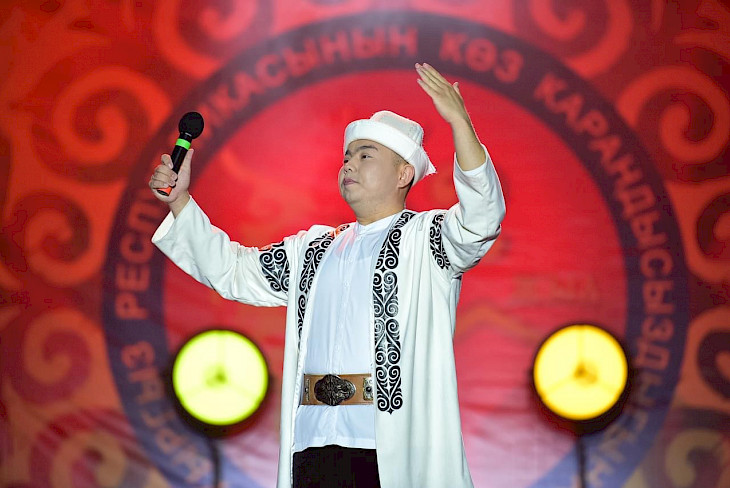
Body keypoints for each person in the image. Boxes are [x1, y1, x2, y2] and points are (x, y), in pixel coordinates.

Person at [149, 63, 505, 488]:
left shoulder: (426, 240)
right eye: (347, 157)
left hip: (386, 443)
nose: (349, 164)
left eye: (365, 155)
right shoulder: (314, 249)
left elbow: (481, 218)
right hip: (313, 440)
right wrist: (181, 202)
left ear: (403, 173)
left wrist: (460, 123)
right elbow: (233, 270)